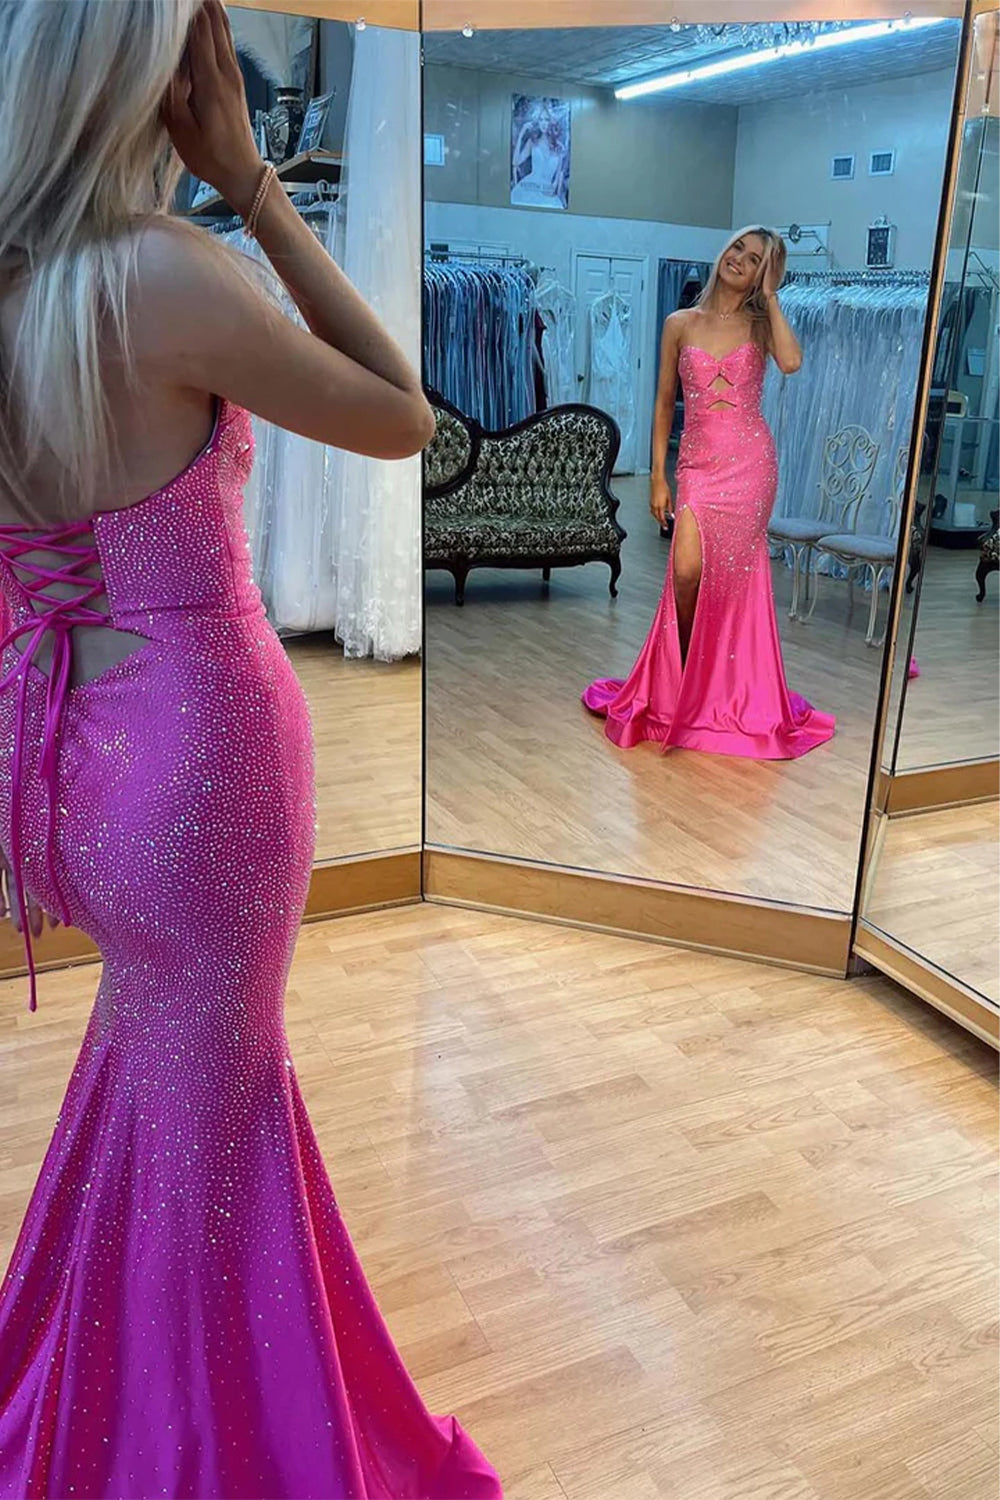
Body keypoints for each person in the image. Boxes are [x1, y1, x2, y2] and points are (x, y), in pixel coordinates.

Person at [0, 3, 501, 1496]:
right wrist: (257, 186)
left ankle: (99, 1389)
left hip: (75, 757)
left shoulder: (19, 291)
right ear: (163, 75)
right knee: (211, 1132)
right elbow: (405, 417)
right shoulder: (164, 275)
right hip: (202, 772)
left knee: (155, 1073)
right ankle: (184, 1449)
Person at [583, 227, 835, 759]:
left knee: (735, 581)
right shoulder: (680, 324)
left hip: (751, 466)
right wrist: (658, 475)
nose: (740, 260)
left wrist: (770, 296)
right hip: (697, 467)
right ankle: (683, 682)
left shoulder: (761, 327)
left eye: (755, 259)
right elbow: (663, 402)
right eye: (737, 249)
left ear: (764, 273)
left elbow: (792, 362)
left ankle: (720, 692)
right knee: (686, 572)